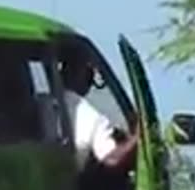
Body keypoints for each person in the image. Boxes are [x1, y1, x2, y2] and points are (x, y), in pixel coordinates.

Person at [59, 46, 141, 174]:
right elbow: (111, 159)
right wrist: (138, 136)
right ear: (88, 75)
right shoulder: (87, 116)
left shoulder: (36, 104)